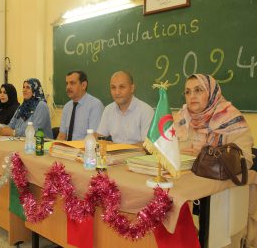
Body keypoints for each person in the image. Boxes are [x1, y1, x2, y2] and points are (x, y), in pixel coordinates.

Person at [174, 74, 255, 248]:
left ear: (212, 93)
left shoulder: (231, 118)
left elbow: (245, 160)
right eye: (187, 92)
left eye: (198, 90)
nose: (192, 96)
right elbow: (172, 151)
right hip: (188, 188)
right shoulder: (182, 118)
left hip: (221, 193)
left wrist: (209, 156)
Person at [97, 71, 154, 144]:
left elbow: (147, 145)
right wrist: (90, 137)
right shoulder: (108, 109)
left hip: (138, 155)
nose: (117, 92)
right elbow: (100, 135)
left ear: (132, 88)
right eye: (113, 87)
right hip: (114, 154)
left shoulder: (146, 111)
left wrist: (119, 148)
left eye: (122, 87)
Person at [57, 70, 104, 141]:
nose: (68, 87)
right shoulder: (67, 107)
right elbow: (62, 136)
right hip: (68, 150)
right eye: (67, 83)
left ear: (83, 85)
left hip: (85, 150)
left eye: (72, 83)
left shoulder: (95, 105)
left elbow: (94, 137)